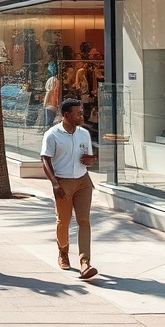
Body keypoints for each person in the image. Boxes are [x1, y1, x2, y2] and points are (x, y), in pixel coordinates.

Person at [41, 98, 98, 280]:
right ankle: (63, 252)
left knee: (84, 221)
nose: (82, 115)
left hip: (83, 181)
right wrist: (54, 183)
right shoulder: (52, 134)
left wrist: (91, 160)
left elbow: (88, 157)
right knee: (63, 221)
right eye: (78, 113)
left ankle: (85, 262)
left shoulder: (84, 133)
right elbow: (45, 159)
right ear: (67, 115)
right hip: (62, 182)